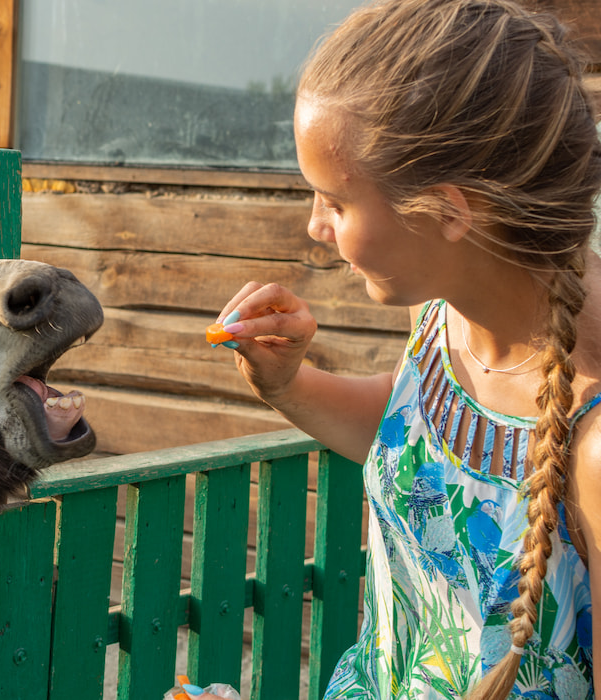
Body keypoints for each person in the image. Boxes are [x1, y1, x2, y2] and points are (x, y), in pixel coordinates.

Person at [212, 0, 601, 697]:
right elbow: (417, 443)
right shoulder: (440, 312)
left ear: (449, 211)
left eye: (335, 202)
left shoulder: (594, 444)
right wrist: (289, 384)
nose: (315, 227)